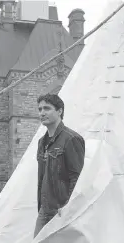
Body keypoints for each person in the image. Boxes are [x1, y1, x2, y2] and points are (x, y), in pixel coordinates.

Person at [34, 94, 85, 237]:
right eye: (40, 109)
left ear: (60, 111)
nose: (42, 113)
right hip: (44, 210)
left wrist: (68, 207)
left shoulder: (71, 139)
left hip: (61, 211)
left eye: (47, 108)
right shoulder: (41, 143)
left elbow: (77, 177)